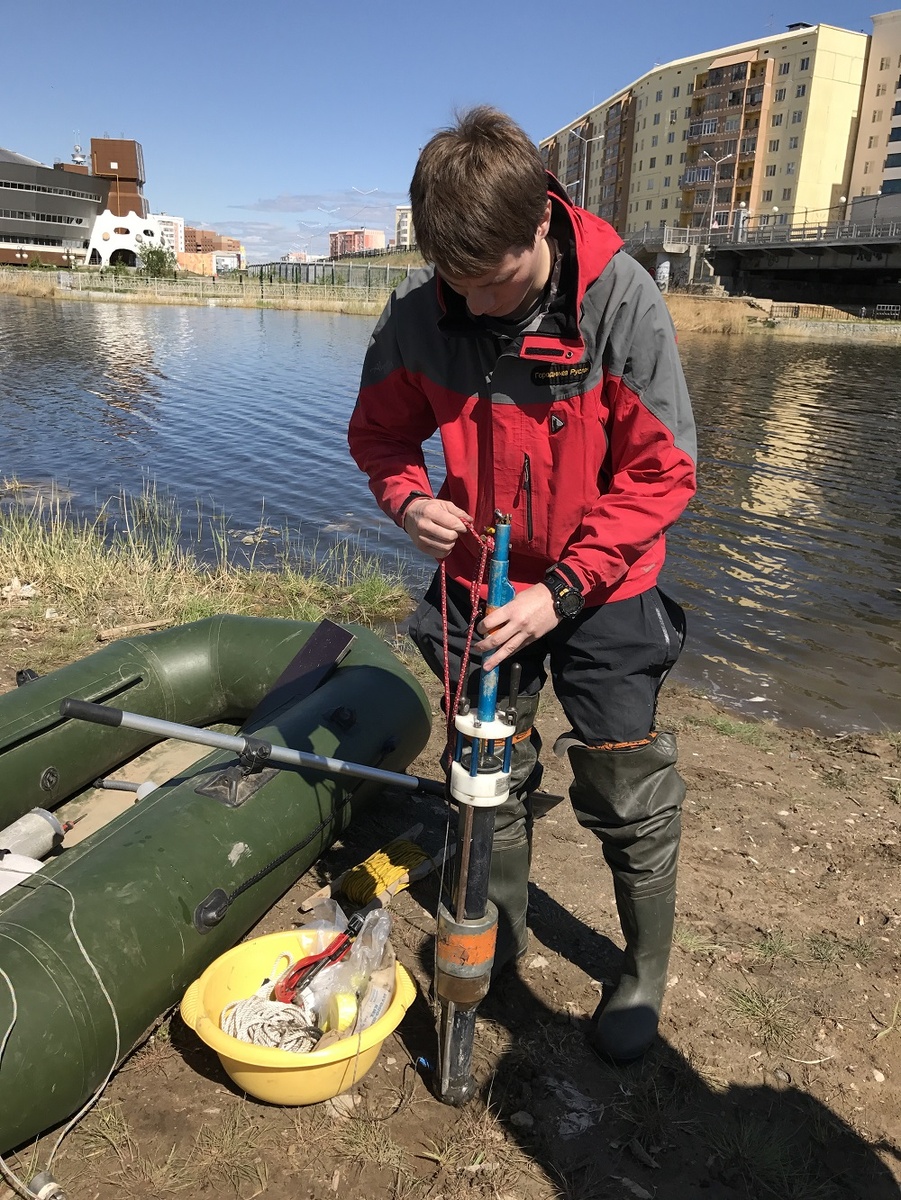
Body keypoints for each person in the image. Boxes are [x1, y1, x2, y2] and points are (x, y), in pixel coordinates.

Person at [348, 107, 697, 1063]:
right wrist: (406, 497)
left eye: (490, 280)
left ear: (540, 223)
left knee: (627, 784)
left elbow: (663, 474)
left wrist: (568, 587)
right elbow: (378, 436)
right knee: (486, 772)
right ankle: (491, 933)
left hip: (608, 581)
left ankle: (641, 969)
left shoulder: (619, 301)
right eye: (453, 280)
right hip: (475, 582)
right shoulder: (423, 313)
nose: (473, 300)